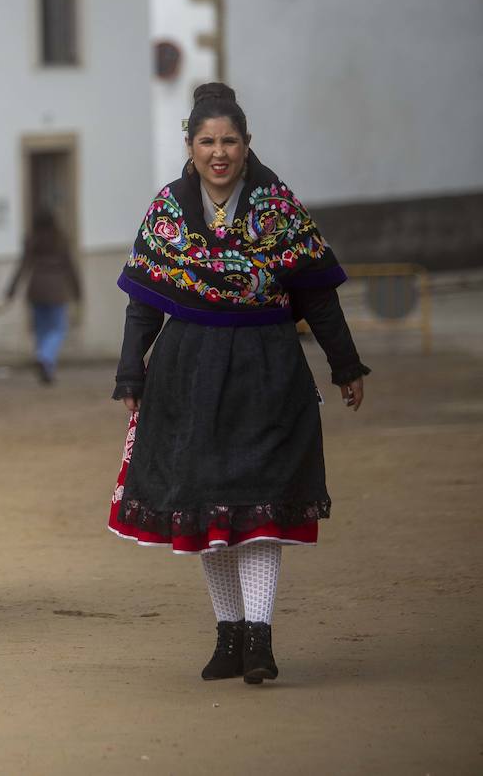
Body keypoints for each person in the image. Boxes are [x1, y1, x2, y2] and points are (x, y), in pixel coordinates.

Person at [107, 82, 369, 685]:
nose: (218, 152)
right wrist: (130, 372)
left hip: (267, 367)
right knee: (204, 507)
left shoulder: (278, 206)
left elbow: (317, 296)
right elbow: (144, 303)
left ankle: (260, 641)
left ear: (247, 145)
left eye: (229, 141)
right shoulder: (168, 209)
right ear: (189, 145)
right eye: (207, 141)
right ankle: (227, 639)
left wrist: (346, 363)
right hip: (186, 372)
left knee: (259, 503)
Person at [4, 210, 81, 384]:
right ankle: (45, 358)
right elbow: (71, 266)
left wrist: (11, 289)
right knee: (58, 328)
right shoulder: (61, 240)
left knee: (41, 330)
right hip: (57, 289)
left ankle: (47, 368)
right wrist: (77, 291)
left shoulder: (32, 240)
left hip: (36, 288)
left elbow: (23, 265)